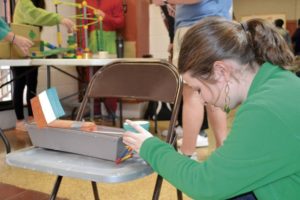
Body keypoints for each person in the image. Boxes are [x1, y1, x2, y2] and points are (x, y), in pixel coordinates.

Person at [123, 17, 299, 199]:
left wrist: (150, 147)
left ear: (221, 71)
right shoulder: (278, 84)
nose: (202, 99)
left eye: (198, 89)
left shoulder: (264, 110)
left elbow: (205, 185)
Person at [153, 0, 232, 158]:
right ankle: (223, 154)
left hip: (198, 28)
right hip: (214, 27)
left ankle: (187, 154)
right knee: (215, 93)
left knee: (192, 94)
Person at [12, 0, 75, 131]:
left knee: (32, 84)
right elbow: (36, 14)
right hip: (18, 50)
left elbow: (36, 24)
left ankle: (31, 117)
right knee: (19, 84)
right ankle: (19, 121)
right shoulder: (24, 2)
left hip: (32, 50)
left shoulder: (39, 2)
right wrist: (60, 19)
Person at [84, 0, 125, 119]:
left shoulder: (116, 1)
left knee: (110, 75)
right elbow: (84, 24)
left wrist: (105, 17)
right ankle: (95, 110)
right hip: (92, 41)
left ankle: (111, 110)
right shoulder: (87, 2)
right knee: (91, 76)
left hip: (109, 41)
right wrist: (82, 43)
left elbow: (121, 22)